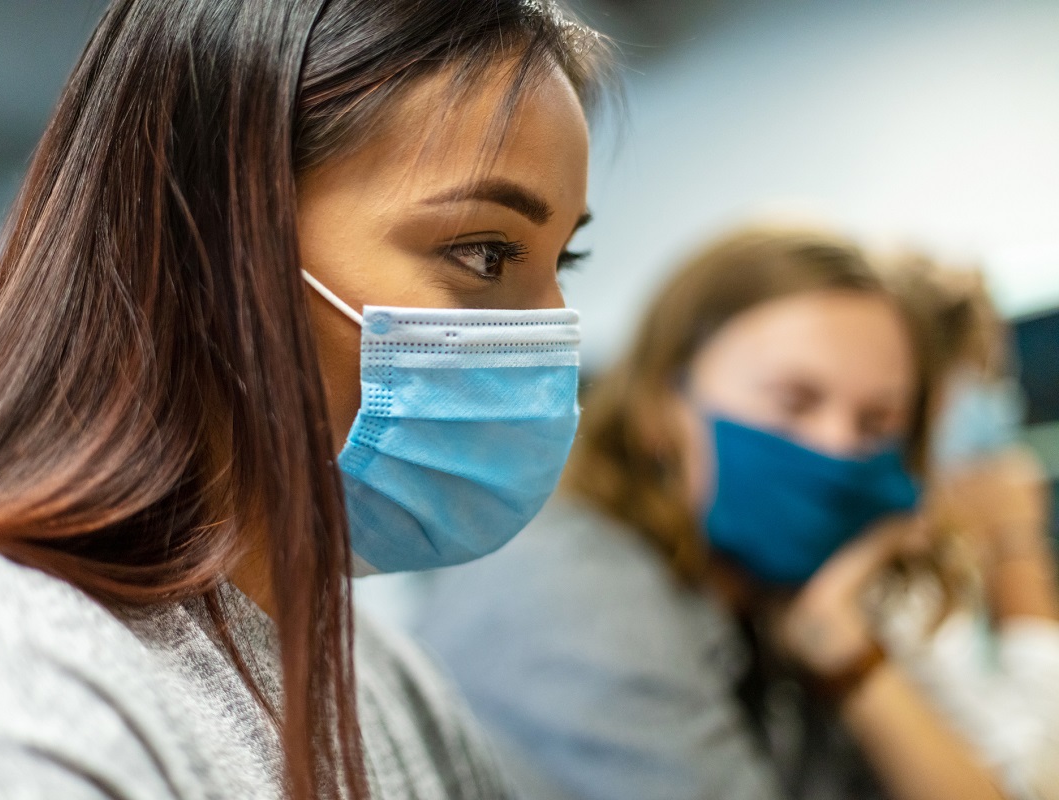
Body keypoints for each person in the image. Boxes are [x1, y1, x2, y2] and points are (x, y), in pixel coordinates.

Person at [0, 2, 606, 798]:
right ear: (217, 240)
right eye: (486, 253)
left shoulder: (371, 672)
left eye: (565, 260)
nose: (551, 333)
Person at [402, 227, 1028, 800]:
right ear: (660, 408)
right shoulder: (566, 589)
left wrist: (842, 648)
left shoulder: (767, 599)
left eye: (877, 424)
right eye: (793, 402)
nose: (837, 447)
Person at [879, 255, 1059, 799]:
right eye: (981, 376)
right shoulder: (892, 583)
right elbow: (1036, 774)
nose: (1000, 402)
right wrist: (1015, 546)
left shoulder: (948, 557)